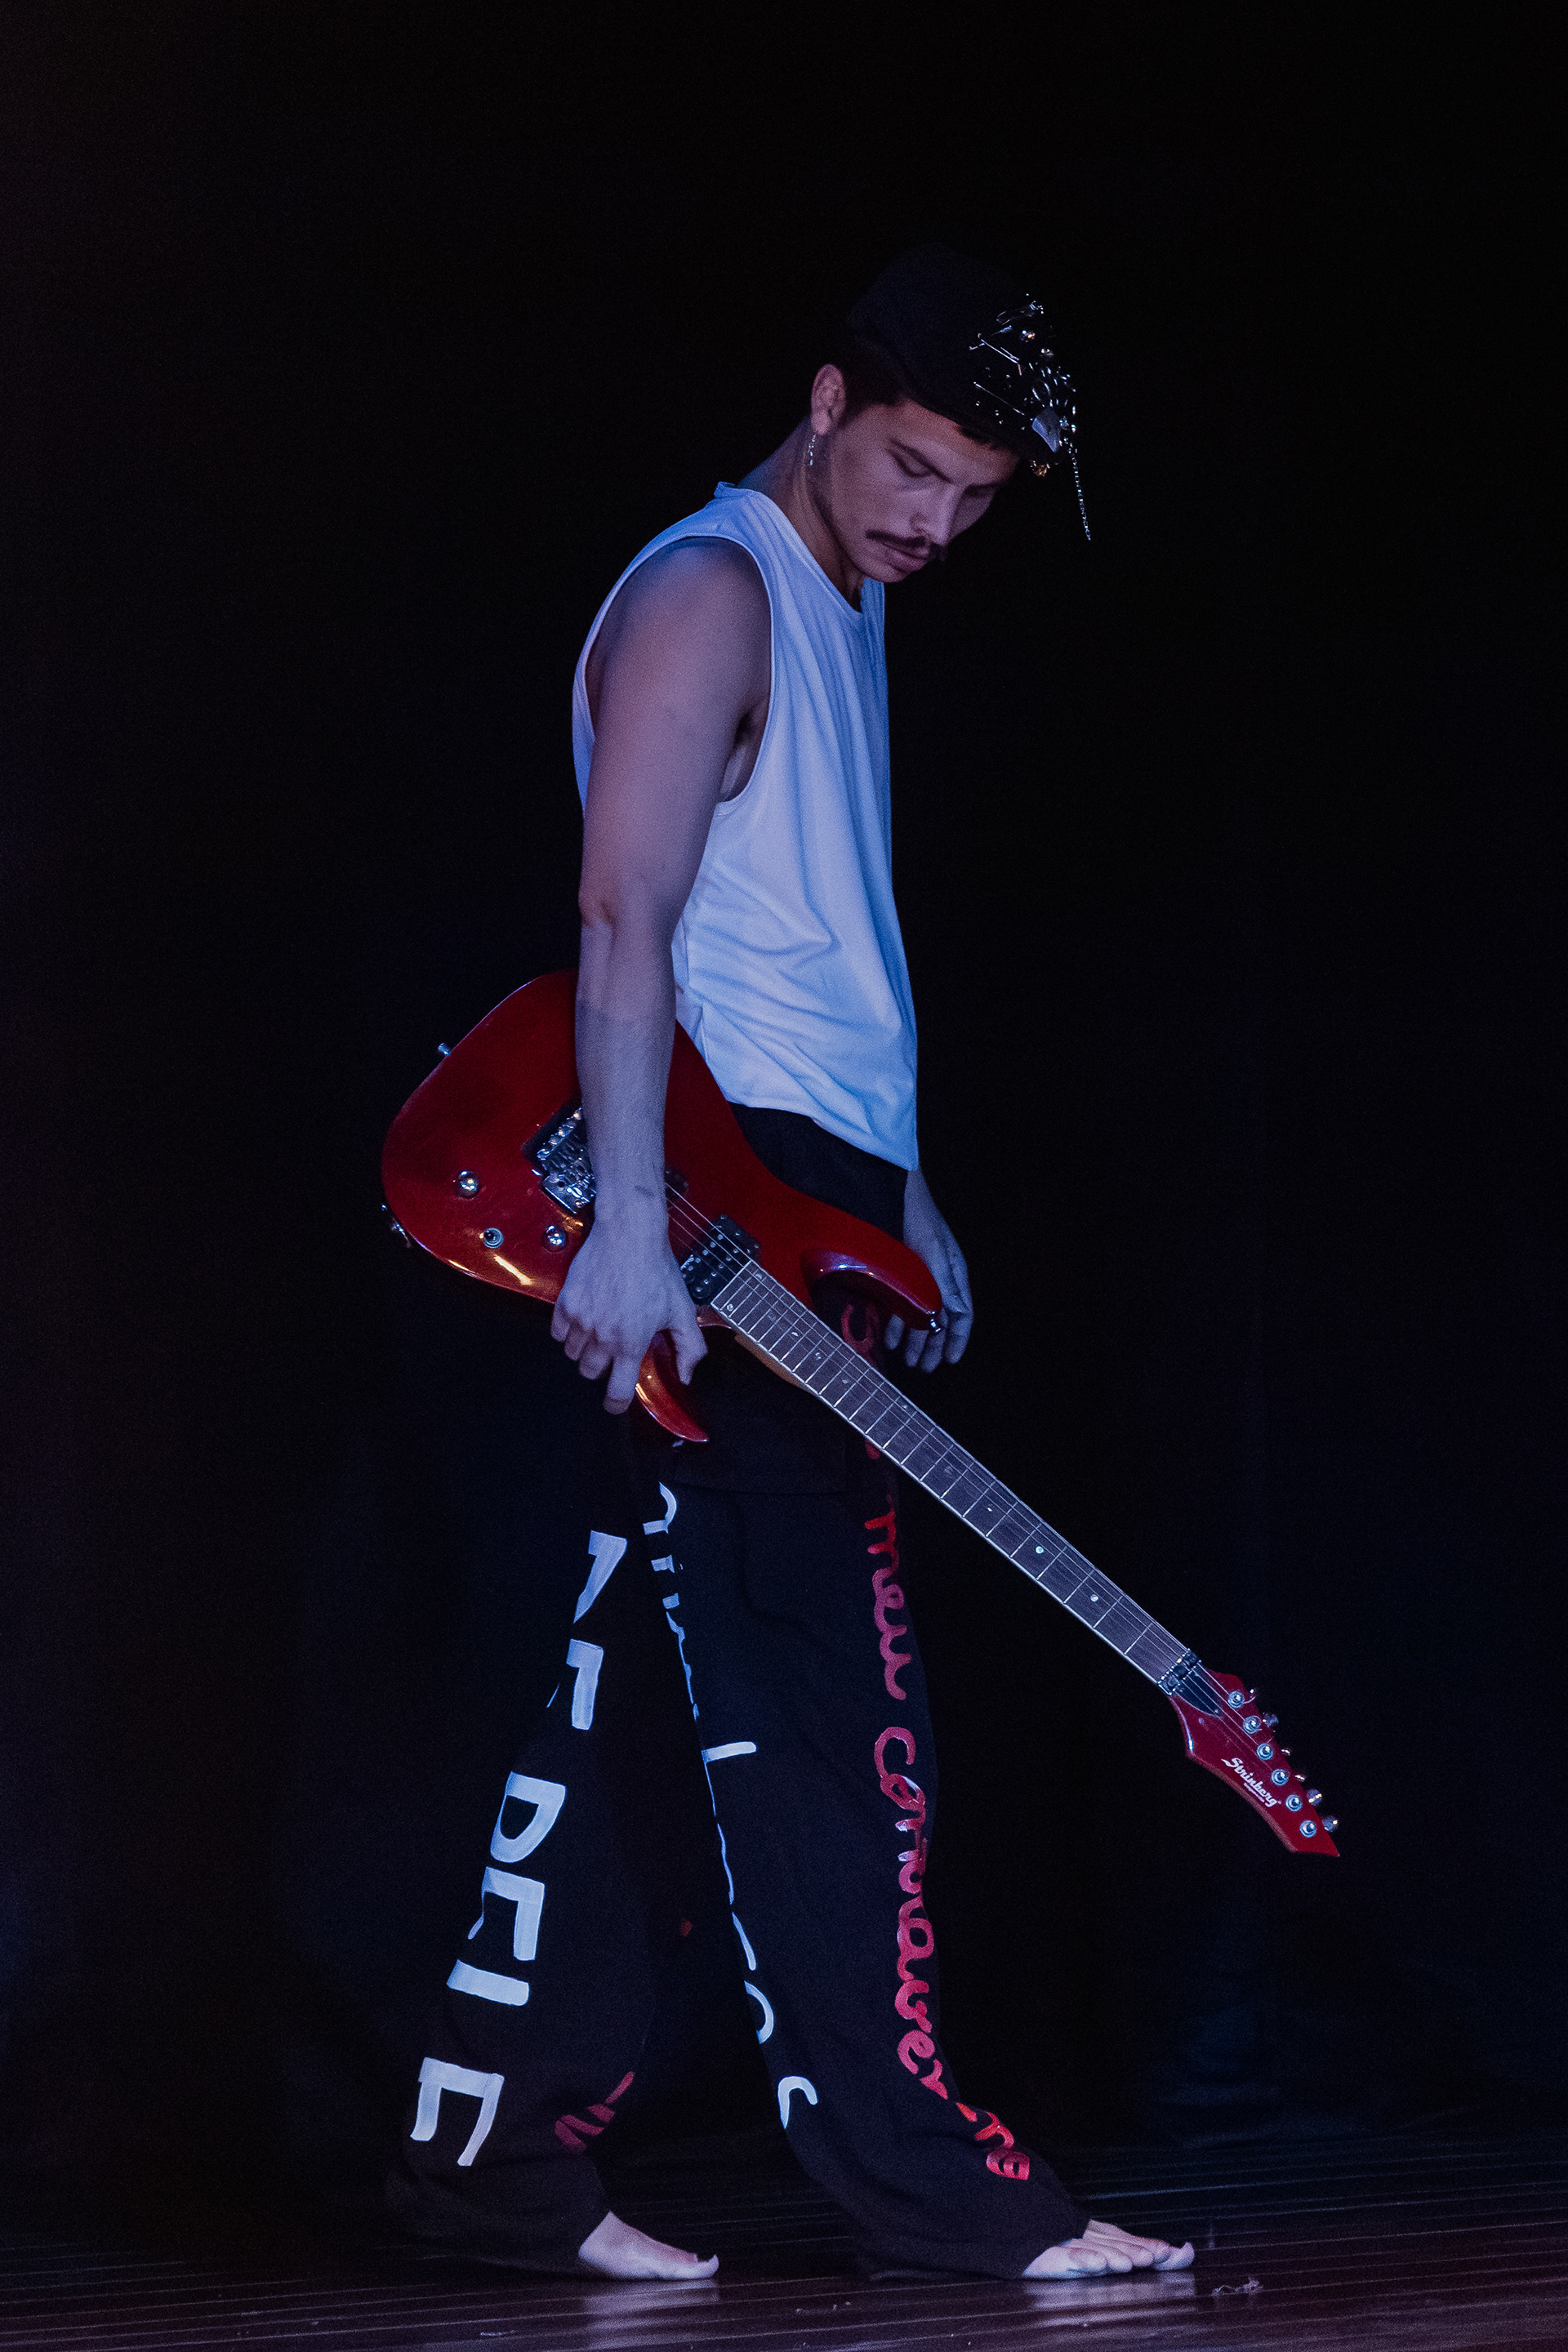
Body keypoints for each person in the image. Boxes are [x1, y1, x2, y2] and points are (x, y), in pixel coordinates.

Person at [387, 245, 1193, 2284]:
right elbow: (626, 918)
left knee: (640, 1699)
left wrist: (892, 1180)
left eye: (977, 500)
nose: (936, 524)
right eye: (915, 468)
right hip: (704, 1212)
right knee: (833, 1697)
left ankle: (491, 2163)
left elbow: (800, 933)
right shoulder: (710, 589)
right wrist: (635, 1230)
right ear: (829, 403)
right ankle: (933, 2187)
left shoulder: (845, 596)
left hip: (796, 1189)